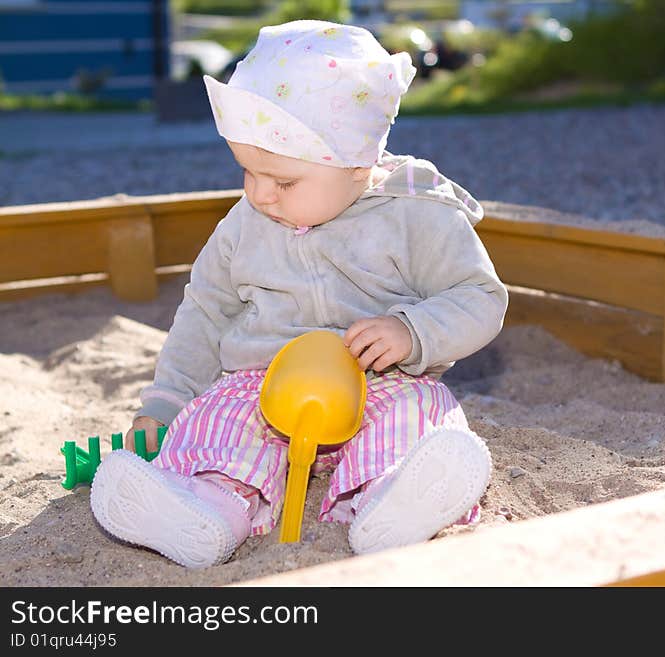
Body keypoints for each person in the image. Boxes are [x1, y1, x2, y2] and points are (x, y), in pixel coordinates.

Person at [89, 20, 508, 569]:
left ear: (357, 165)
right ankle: (206, 511)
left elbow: (479, 295)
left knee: (421, 410)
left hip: (374, 382)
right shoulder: (244, 225)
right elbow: (205, 313)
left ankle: (390, 500)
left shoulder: (417, 215)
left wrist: (413, 331)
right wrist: (167, 401)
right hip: (261, 385)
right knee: (217, 423)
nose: (259, 194)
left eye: (283, 181)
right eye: (246, 171)